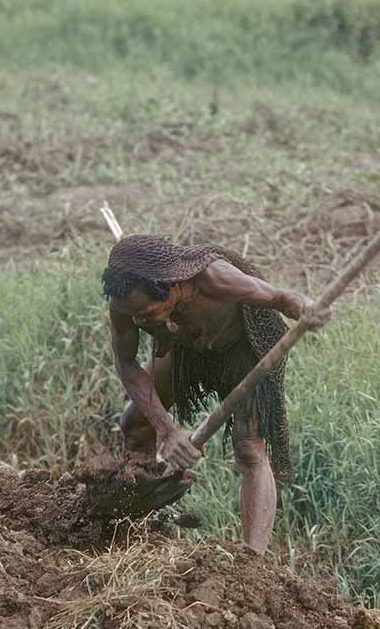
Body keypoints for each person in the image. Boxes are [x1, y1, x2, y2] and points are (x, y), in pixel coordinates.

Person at [103, 235, 328, 553]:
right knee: (136, 425)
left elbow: (281, 298)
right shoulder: (125, 304)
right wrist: (167, 430)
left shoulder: (214, 277)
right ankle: (134, 524)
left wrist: (306, 308)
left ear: (173, 286)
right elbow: (126, 363)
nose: (139, 322)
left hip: (247, 349)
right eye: (134, 316)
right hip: (186, 345)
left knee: (249, 448)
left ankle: (253, 560)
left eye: (147, 314)